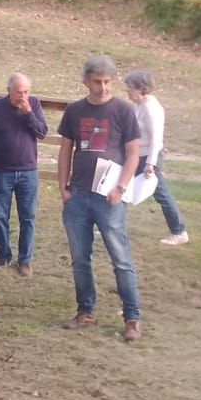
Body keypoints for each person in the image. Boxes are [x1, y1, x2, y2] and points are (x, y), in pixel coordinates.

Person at [58, 54, 143, 341]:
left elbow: (133, 153)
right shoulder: (74, 111)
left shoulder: (123, 110)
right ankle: (85, 311)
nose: (103, 87)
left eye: (107, 82)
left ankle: (132, 318)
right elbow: (65, 149)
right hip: (78, 194)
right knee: (80, 258)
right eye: (97, 82)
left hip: (109, 197)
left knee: (120, 258)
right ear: (85, 81)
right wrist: (63, 187)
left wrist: (121, 187)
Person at [0, 71, 48, 276]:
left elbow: (42, 132)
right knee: (1, 217)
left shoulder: (34, 104)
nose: (23, 96)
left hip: (28, 171)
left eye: (26, 91)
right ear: (8, 90)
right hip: (2, 171)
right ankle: (4, 257)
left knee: (28, 217)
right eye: (19, 92)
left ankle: (25, 260)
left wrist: (28, 113)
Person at [123, 70, 188, 246]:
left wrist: (150, 164)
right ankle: (115, 224)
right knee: (122, 188)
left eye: (130, 88)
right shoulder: (138, 105)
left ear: (140, 88)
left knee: (162, 195)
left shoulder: (151, 108)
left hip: (148, 159)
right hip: (137, 156)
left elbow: (155, 139)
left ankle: (179, 231)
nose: (127, 91)